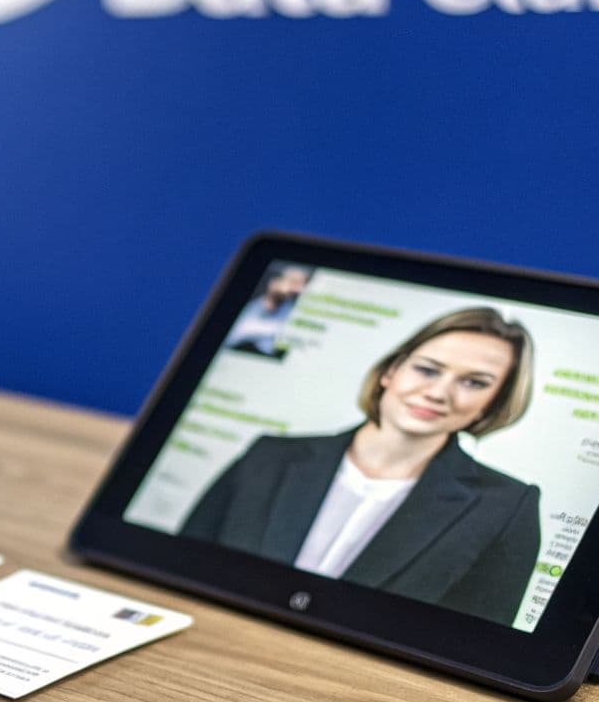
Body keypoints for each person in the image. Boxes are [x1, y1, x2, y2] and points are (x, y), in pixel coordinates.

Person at [179, 307, 542, 626]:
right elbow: (183, 566)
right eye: (427, 369)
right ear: (390, 372)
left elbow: (475, 644)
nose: (438, 393)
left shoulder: (507, 506)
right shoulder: (270, 455)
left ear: (493, 403)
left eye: (474, 382)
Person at [224, 265, 311, 357]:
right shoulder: (248, 308)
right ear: (274, 282)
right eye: (293, 282)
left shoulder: (292, 311)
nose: (298, 289)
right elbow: (233, 338)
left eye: (302, 285)